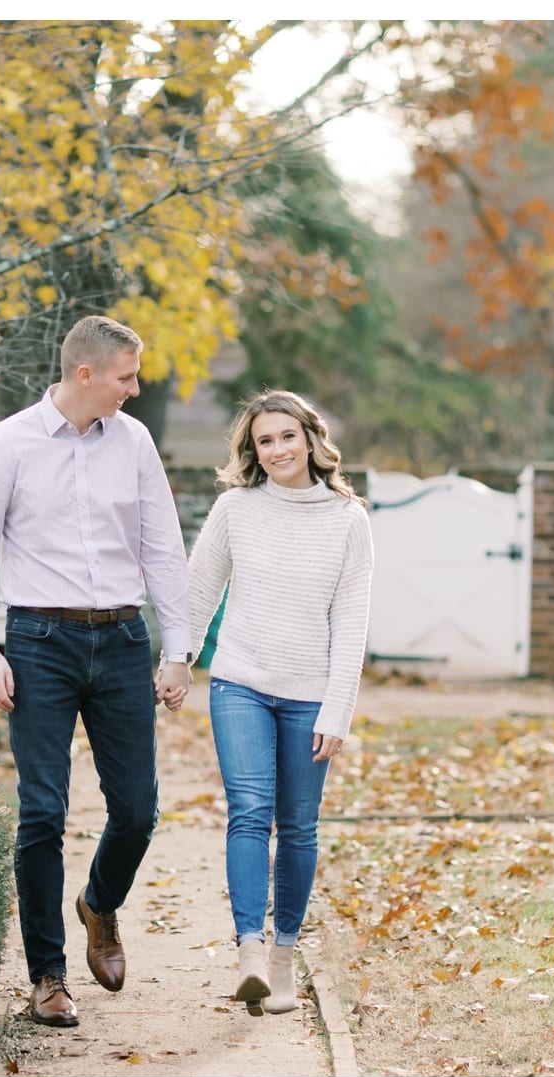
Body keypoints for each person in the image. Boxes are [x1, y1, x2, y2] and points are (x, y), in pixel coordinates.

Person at [0, 315, 193, 1028]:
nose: (135, 390)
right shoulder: (10, 442)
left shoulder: (135, 441)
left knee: (138, 811)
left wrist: (176, 651)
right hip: (37, 641)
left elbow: (164, 549)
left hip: (121, 639)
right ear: (84, 374)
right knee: (43, 811)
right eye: (125, 377)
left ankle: (100, 903)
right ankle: (48, 975)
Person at [185, 390, 373, 1016]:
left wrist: (337, 709)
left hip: (310, 695)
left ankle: (284, 957)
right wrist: (177, 659)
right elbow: (198, 589)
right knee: (249, 810)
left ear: (311, 439)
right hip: (239, 682)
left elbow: (351, 621)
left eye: (287, 437)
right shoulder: (236, 508)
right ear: (252, 450)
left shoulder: (348, 520)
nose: (277, 450)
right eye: (264, 441)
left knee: (296, 826)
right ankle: (249, 950)